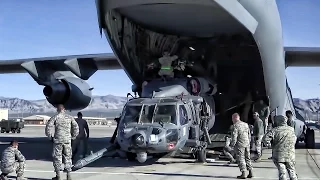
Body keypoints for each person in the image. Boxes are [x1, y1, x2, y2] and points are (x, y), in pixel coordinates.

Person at [45, 104, 79, 180]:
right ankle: (68, 175)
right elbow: (76, 128)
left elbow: (48, 127)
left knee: (57, 158)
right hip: (67, 140)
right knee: (68, 157)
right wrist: (73, 136)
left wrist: (50, 137)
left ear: (57, 110)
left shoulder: (55, 117)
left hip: (58, 140)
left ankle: (58, 176)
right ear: (64, 110)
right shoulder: (70, 118)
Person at [262, 115, 298, 180]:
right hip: (290, 155)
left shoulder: (274, 130)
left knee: (282, 173)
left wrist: (269, 145)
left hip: (279, 155)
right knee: (292, 172)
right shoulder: (291, 129)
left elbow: (265, 139)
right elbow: (295, 138)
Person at [230, 113, 253, 179]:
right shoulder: (245, 124)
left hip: (240, 144)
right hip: (247, 143)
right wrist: (249, 141)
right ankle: (251, 172)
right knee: (248, 157)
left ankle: (243, 173)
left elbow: (234, 136)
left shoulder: (235, 126)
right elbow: (249, 134)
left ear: (234, 118)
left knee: (241, 158)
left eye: (232, 118)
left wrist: (232, 145)